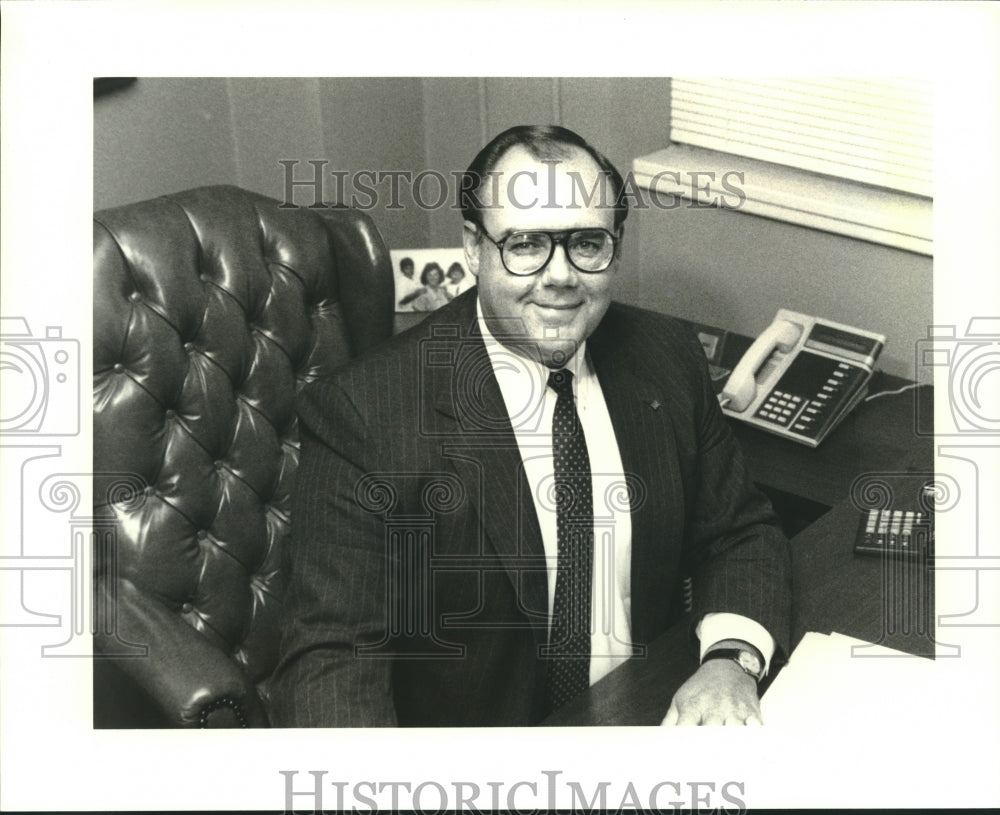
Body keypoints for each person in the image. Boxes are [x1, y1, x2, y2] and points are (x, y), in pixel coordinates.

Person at [270, 125, 791, 727]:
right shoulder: (363, 414)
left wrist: (731, 660)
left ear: (614, 247)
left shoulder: (667, 354)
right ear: (474, 247)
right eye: (525, 244)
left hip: (647, 719)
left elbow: (740, 532)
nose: (561, 275)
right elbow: (331, 661)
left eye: (587, 243)